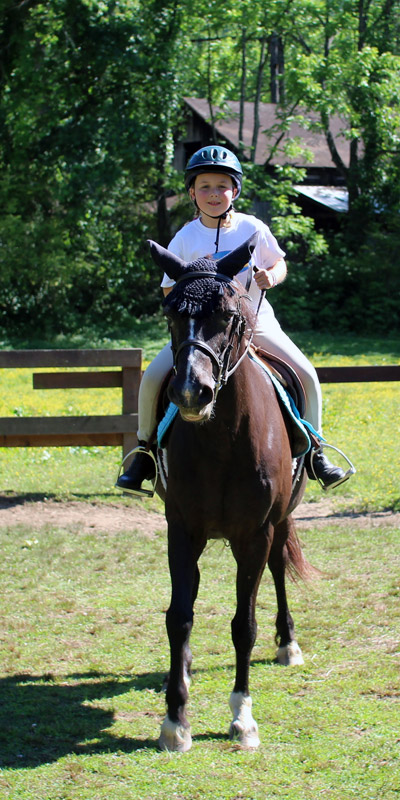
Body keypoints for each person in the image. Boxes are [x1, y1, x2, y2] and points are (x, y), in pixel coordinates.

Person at [116, 145, 355, 497]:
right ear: (192, 193)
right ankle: (144, 456)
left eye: (222, 186)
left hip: (257, 322)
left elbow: (279, 263)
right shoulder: (185, 237)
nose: (214, 194)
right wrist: (189, 311)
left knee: (306, 373)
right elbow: (168, 288)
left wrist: (271, 277)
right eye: (205, 186)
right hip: (206, 332)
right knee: (152, 378)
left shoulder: (253, 227)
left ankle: (317, 453)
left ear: (235, 191)